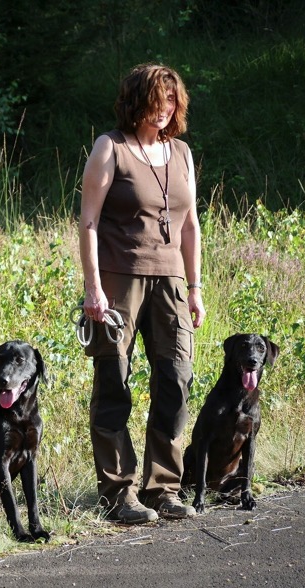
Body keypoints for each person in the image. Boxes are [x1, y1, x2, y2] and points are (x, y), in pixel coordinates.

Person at [78, 63, 206, 524]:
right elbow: (88, 222)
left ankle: (163, 487)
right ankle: (118, 493)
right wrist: (94, 288)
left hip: (171, 281)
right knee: (114, 380)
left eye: (171, 100)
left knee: (176, 377)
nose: (163, 108)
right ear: (136, 101)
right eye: (155, 99)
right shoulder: (110, 147)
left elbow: (190, 225)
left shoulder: (182, 153)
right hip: (119, 279)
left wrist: (195, 287)